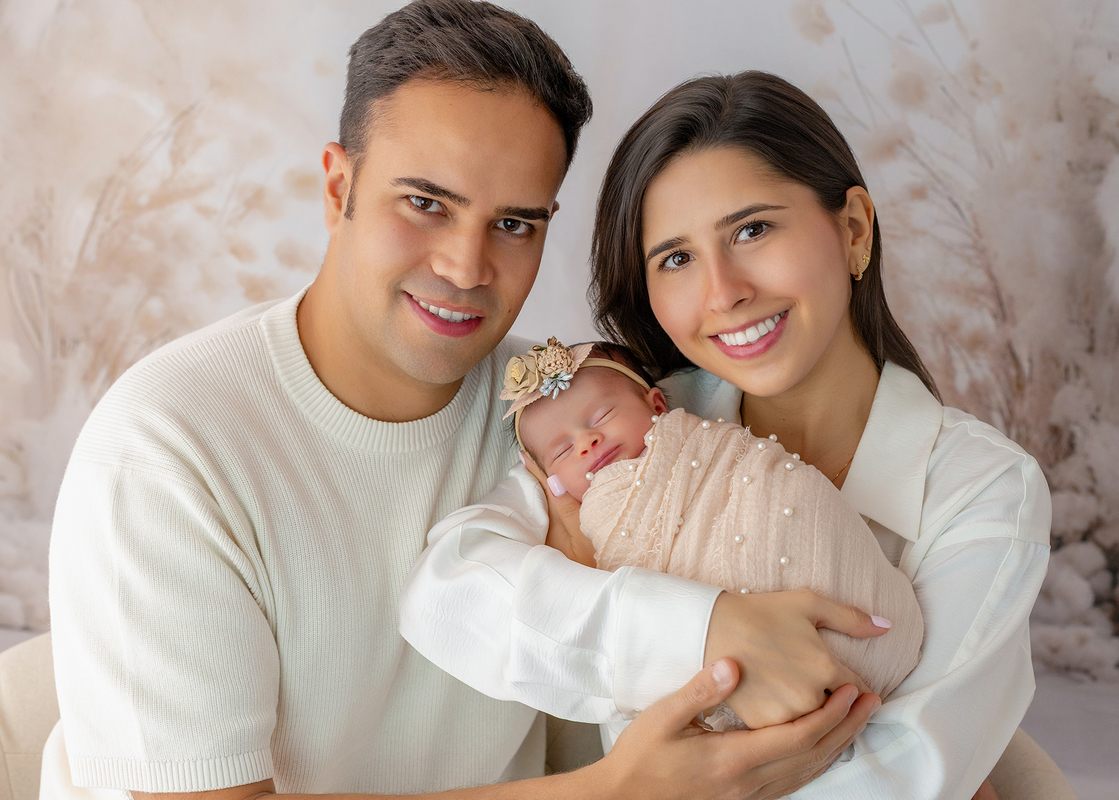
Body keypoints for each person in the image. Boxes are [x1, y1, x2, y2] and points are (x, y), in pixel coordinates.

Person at [42, 4, 882, 800]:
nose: (466, 265)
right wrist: (619, 791)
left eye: (514, 224)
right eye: (425, 204)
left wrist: (935, 751)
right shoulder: (166, 449)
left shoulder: (563, 411)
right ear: (338, 189)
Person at [398, 70, 1050, 799]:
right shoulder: (634, 426)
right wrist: (706, 632)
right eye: (675, 258)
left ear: (854, 229)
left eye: (753, 229)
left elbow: (910, 774)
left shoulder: (982, 488)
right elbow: (450, 595)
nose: (723, 292)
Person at [490, 337, 926, 736]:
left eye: (602, 416)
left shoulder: (702, 442)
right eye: (562, 451)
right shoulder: (582, 530)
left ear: (657, 406)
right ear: (549, 480)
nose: (587, 443)